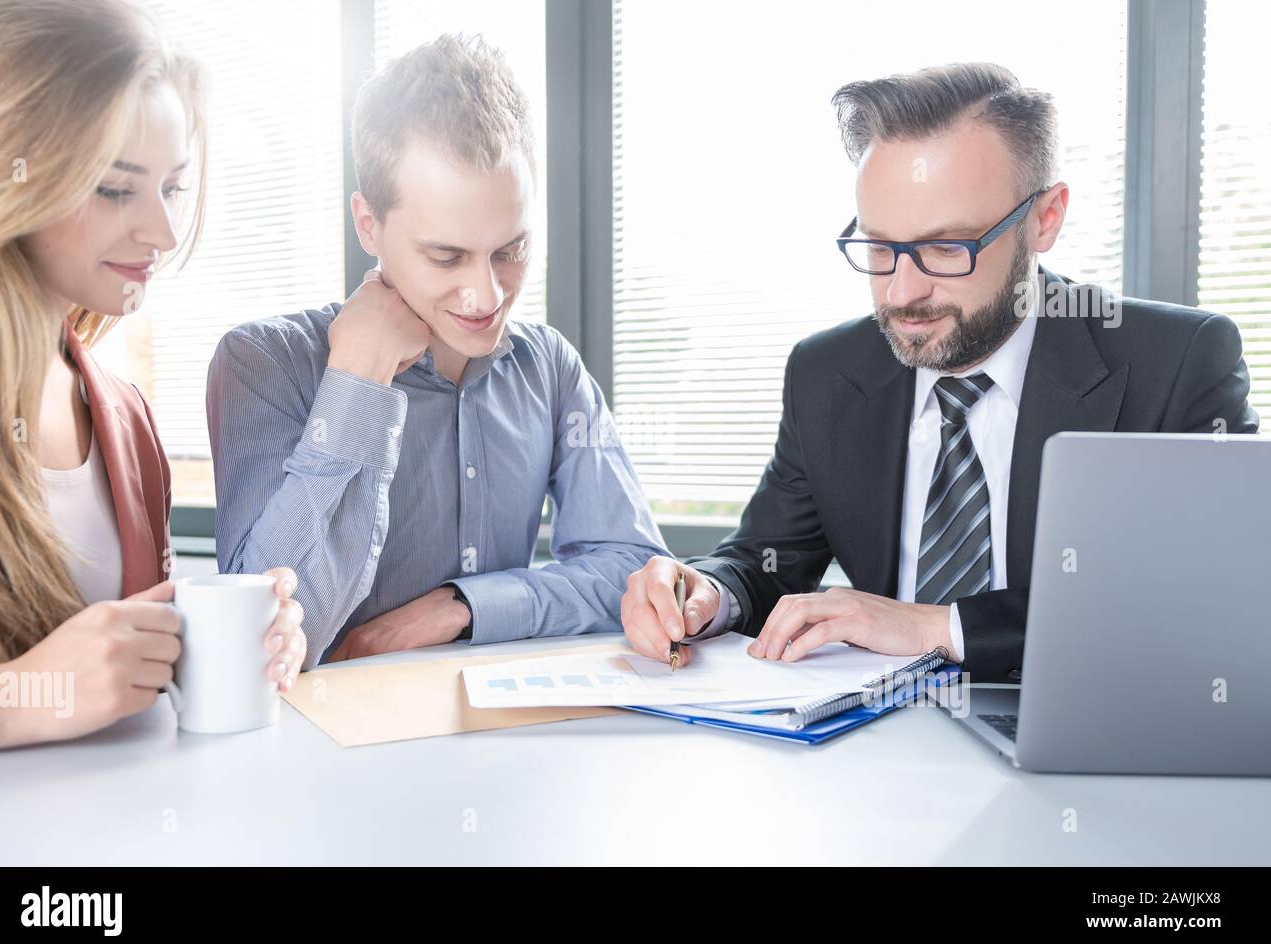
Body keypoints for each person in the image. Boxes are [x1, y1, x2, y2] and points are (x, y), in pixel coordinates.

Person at [621, 63, 1258, 682]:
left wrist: (936, 628)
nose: (901, 293)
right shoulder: (826, 373)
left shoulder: (1178, 362)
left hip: (1091, 736)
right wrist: (704, 593)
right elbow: (769, 562)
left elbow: (1203, 598)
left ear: (1044, 219)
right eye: (878, 247)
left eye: (946, 248)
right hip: (871, 746)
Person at [207, 34, 666, 666]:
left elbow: (635, 569)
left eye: (511, 250)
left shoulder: (550, 369)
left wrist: (460, 607)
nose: (487, 294)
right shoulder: (265, 365)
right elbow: (253, 639)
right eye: (447, 256)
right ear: (369, 224)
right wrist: (355, 386)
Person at [0, 0, 307, 751]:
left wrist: (221, 646)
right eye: (116, 189)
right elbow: (49, 694)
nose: (162, 232)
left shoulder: (126, 419)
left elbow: (113, 684)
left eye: (173, 188)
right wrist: (13, 701)